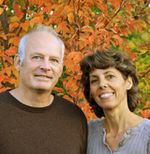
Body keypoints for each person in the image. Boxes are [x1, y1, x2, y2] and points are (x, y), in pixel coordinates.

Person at [0, 24, 87, 154]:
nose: (46, 66)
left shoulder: (75, 117)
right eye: (37, 57)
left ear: (61, 69)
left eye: (54, 60)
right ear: (18, 62)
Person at [80, 50, 150, 154]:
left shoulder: (147, 134)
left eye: (110, 76)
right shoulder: (87, 133)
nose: (102, 84)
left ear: (128, 82)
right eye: (94, 80)